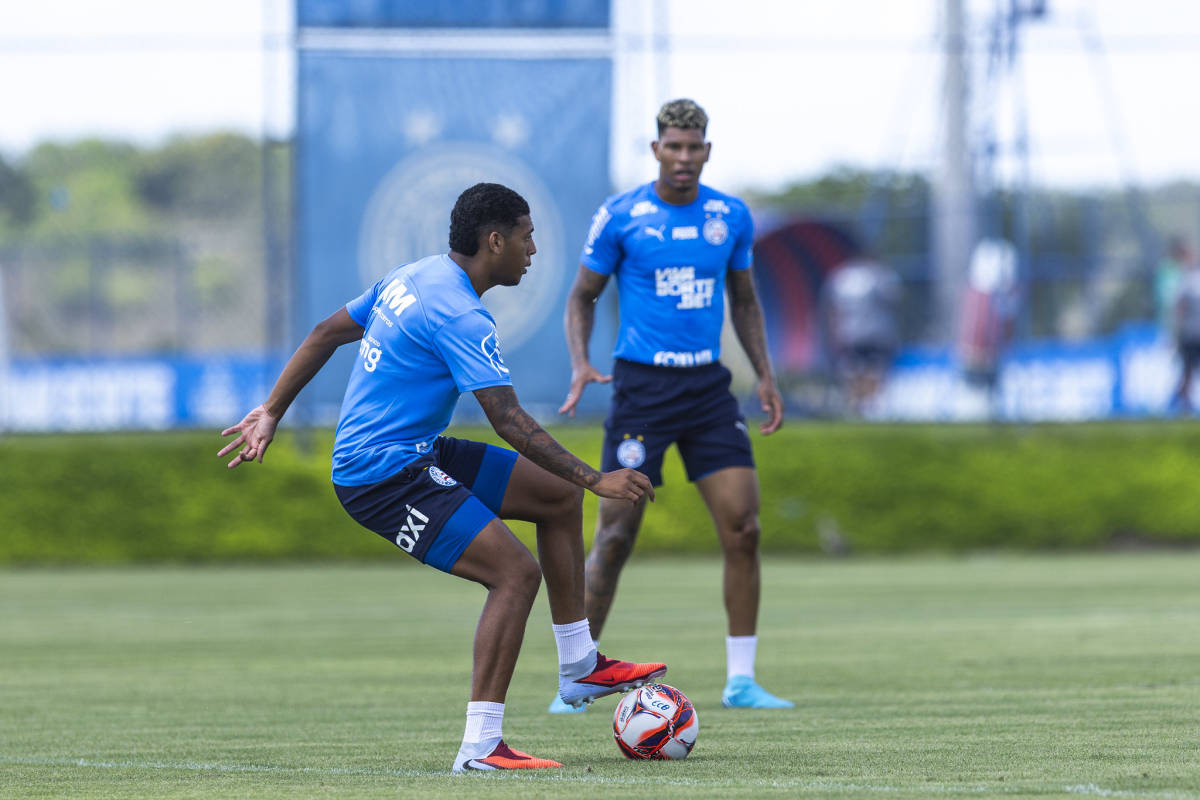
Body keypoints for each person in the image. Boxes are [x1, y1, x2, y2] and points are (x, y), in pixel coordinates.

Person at [219, 183, 666, 772]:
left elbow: (326, 332)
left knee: (555, 498)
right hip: (380, 476)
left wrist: (273, 409)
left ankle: (580, 664)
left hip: (414, 451)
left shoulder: (414, 275)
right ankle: (480, 748)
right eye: (527, 236)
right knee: (515, 573)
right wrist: (595, 478)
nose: (534, 249)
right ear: (495, 240)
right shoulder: (458, 312)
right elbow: (506, 418)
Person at [553, 98, 791, 712]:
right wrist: (581, 362)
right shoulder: (622, 216)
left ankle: (741, 680)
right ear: (656, 148)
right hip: (642, 391)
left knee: (744, 528)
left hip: (709, 391)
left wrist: (764, 374)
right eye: (673, 146)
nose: (684, 158)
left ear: (707, 151)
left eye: (695, 147)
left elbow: (744, 301)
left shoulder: (729, 217)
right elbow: (582, 298)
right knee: (615, 536)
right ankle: (579, 675)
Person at [822, 258, 903, 417]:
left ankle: (857, 407)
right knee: (874, 371)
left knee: (854, 372)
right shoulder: (879, 276)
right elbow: (895, 300)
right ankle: (869, 407)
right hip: (877, 335)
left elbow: (832, 310)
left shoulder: (841, 279)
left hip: (851, 335)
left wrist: (835, 334)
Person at [1171, 253, 1200, 413]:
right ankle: (1181, 403)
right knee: (1188, 371)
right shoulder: (1187, 281)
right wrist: (1178, 332)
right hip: (1191, 335)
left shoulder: (1188, 281)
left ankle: (1181, 400)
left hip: (1192, 333)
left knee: (1188, 372)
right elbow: (1179, 309)